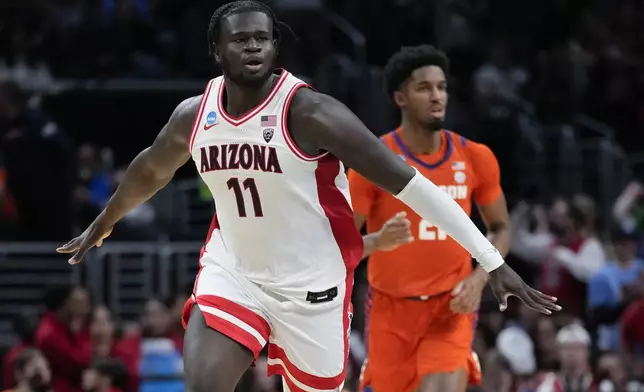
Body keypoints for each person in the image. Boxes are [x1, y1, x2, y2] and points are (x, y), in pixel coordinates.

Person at [56, 2, 559, 391]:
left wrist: (491, 260)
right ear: (217, 50)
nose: (252, 47)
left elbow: (413, 186)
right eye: (240, 39)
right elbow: (150, 169)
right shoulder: (195, 114)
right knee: (204, 384)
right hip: (235, 271)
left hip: (314, 288)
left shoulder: (311, 112)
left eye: (262, 38)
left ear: (275, 46)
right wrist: (106, 219)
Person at [349, 45, 513, 392]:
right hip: (389, 312)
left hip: (450, 308)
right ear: (400, 98)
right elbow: (338, 248)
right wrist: (377, 241)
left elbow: (500, 227)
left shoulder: (475, 157)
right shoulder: (372, 162)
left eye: (442, 87)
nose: (437, 96)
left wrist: (479, 278)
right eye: (424, 88)